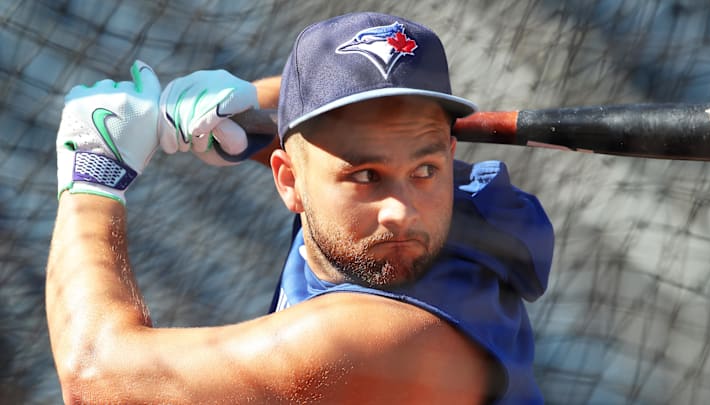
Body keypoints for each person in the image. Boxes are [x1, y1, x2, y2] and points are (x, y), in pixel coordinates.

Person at [47, 12, 553, 404]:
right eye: (366, 177)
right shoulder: (453, 209)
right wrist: (247, 104)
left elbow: (97, 377)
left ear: (449, 156)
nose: (401, 211)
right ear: (290, 180)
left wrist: (94, 174)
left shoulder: (370, 341)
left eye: (424, 171)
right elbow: (335, 132)